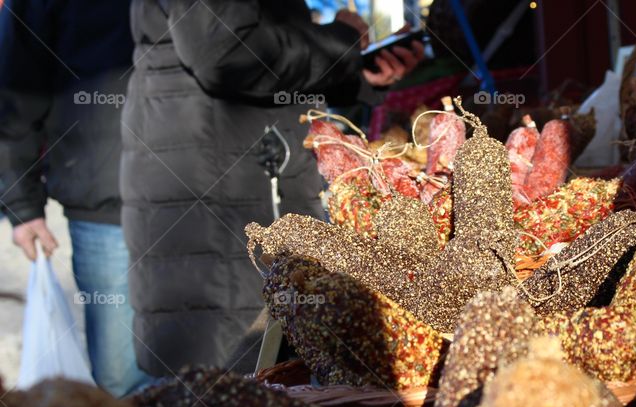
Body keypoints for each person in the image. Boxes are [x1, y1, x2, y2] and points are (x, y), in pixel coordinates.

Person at [122, 0, 424, 376]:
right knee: (228, 373)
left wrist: (354, 71)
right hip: (219, 196)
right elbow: (227, 53)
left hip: (238, 180)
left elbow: (247, 51)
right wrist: (341, 42)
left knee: (261, 368)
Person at [0, 0, 151, 396]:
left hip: (209, 198)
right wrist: (23, 206)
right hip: (105, 206)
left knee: (220, 369)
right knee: (122, 378)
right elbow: (16, 93)